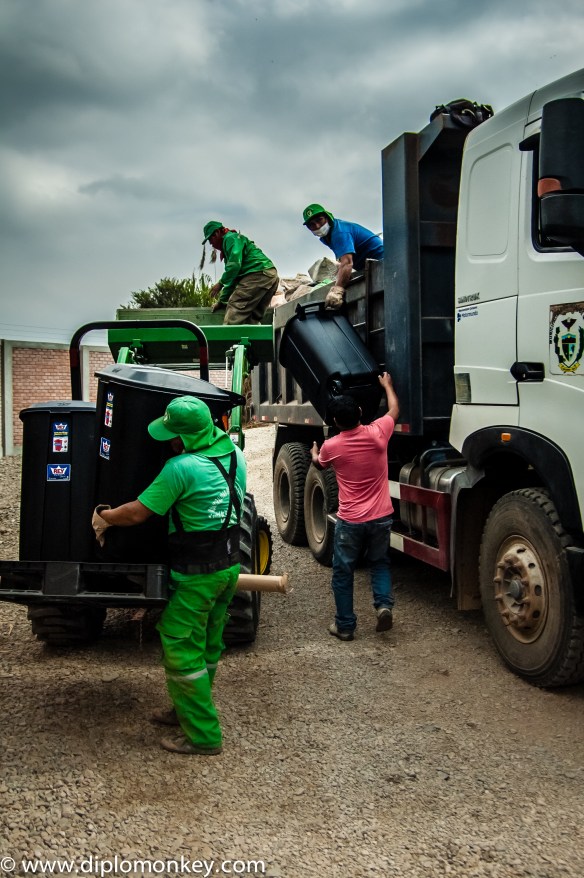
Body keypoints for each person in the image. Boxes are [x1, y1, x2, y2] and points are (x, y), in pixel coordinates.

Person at [91, 395, 246, 756]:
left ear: (184, 437)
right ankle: (183, 710)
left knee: (180, 649)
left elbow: (137, 514)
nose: (168, 440)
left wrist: (104, 515)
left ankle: (204, 736)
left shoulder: (180, 467)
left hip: (196, 574)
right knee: (207, 643)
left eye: (172, 434)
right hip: (229, 566)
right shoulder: (234, 454)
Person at [310, 373, 399, 641]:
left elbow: (319, 464)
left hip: (351, 521)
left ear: (335, 422)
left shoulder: (332, 446)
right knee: (380, 562)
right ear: (360, 412)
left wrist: (314, 452)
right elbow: (394, 410)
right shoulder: (378, 433)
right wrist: (387, 387)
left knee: (343, 571)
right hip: (382, 516)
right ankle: (383, 605)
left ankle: (345, 626)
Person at [302, 204, 383, 310]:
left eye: (319, 220)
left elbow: (347, 263)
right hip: (369, 267)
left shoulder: (339, 232)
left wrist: (337, 290)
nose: (317, 226)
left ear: (327, 217)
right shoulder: (327, 236)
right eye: (312, 225)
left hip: (381, 264)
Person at [201, 221, 279, 325]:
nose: (211, 244)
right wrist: (221, 301)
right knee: (251, 318)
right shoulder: (230, 246)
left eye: (211, 239)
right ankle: (254, 340)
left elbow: (234, 266)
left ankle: (228, 339)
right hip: (270, 276)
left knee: (234, 310)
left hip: (258, 274)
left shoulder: (230, 239)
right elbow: (232, 279)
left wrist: (220, 284)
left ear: (217, 233)